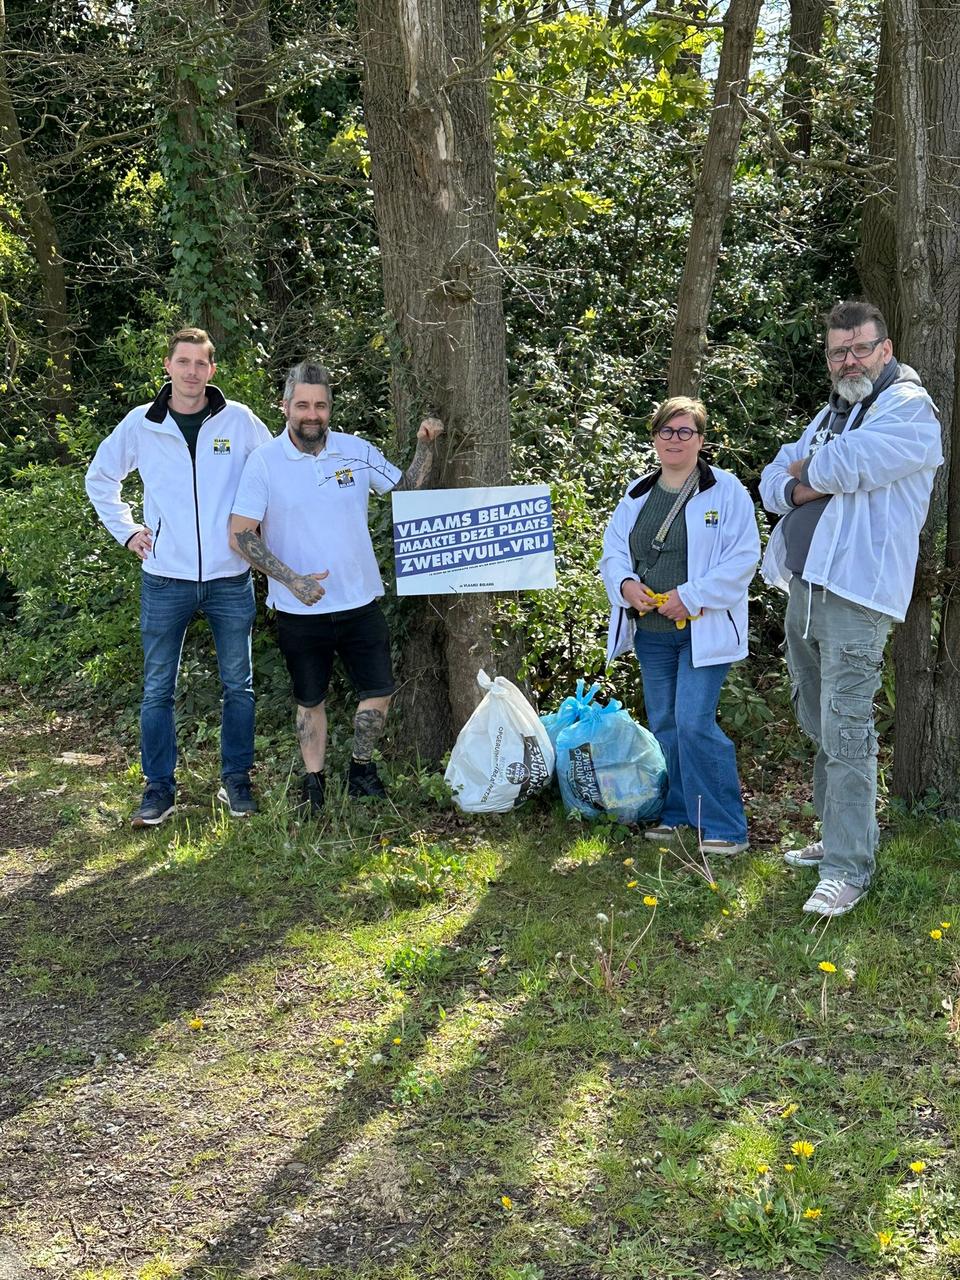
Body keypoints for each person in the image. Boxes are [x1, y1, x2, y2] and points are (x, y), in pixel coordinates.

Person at [760, 300, 942, 917]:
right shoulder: (832, 412)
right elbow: (772, 477)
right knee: (819, 720)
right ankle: (839, 836)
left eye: (860, 348)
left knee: (848, 728)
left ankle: (848, 869)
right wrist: (798, 478)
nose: (849, 360)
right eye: (838, 351)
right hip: (806, 586)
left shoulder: (910, 410)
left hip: (857, 597)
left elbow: (853, 463)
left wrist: (807, 471)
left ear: (885, 349)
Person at [229, 360, 443, 815]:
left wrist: (427, 447)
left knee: (379, 689)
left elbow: (403, 488)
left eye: (320, 405)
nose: (312, 414)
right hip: (298, 608)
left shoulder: (356, 450)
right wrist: (292, 580)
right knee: (310, 700)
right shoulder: (264, 462)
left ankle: (361, 770)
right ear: (285, 406)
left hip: (360, 599)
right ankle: (314, 782)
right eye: (302, 404)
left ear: (330, 409)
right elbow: (241, 533)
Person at [85, 327, 271, 826]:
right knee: (156, 690)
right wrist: (127, 532)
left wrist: (260, 539)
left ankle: (236, 782)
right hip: (165, 578)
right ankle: (159, 789)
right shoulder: (140, 425)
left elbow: (272, 473)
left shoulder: (240, 421)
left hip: (230, 576)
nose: (192, 371)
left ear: (212, 370)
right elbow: (100, 477)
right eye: (183, 361)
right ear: (167, 366)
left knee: (239, 685)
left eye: (201, 363)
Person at [601, 396, 760, 855]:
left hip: (703, 630)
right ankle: (678, 814)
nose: (675, 440)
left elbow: (743, 558)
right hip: (652, 635)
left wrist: (688, 597)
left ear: (701, 440)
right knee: (667, 723)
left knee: (694, 722)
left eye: (685, 431)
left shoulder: (725, 491)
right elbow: (613, 551)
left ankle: (726, 826)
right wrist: (627, 583)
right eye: (666, 432)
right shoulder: (637, 493)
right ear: (654, 438)